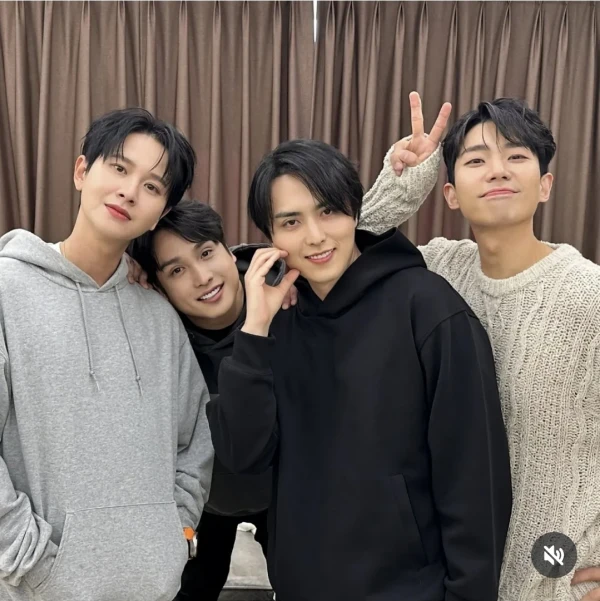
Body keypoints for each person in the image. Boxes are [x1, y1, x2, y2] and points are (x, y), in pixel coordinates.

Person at [126, 101, 445, 600]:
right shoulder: (161, 336)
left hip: (285, 493)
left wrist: (401, 180)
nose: (202, 277)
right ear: (159, 285)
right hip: (209, 498)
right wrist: (125, 275)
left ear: (229, 250)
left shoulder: (288, 284)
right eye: (176, 270)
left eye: (206, 253)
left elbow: (335, 235)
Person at [206, 134, 513, 600]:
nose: (315, 236)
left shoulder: (429, 309)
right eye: (291, 221)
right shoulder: (274, 322)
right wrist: (253, 332)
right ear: (271, 236)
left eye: (328, 211)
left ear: (354, 210)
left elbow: (473, 484)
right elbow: (242, 461)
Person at [362, 96, 600, 601]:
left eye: (516, 156)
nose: (497, 170)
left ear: (545, 184)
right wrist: (404, 183)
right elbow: (343, 256)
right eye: (475, 159)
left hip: (553, 582)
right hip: (454, 577)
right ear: (449, 193)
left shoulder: (588, 296)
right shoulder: (437, 271)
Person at [0, 108, 214, 601]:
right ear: (82, 171)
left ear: (159, 212)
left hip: (153, 587)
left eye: (152, 186)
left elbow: (195, 439)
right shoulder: (9, 289)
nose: (129, 191)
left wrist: (176, 536)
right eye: (119, 168)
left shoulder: (158, 315)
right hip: (38, 589)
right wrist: (30, 562)